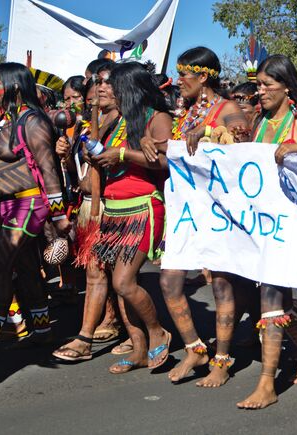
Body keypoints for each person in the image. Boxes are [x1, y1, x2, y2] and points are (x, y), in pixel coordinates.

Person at [156, 46, 249, 386]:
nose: (178, 81)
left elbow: (243, 141)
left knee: (222, 285)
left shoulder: (228, 108)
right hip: (187, 211)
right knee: (169, 280)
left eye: (184, 75)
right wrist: (156, 148)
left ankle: (222, 360)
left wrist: (209, 133)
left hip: (220, 211)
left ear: (204, 76)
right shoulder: (187, 113)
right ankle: (195, 348)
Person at [237, 54, 297, 409]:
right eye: (258, 85)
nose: (260, 92)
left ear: (287, 86)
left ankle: (267, 384)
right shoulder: (258, 121)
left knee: (277, 297)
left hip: (294, 224)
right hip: (264, 223)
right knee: (278, 297)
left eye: (266, 85)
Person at [0, 62, 72, 358]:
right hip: (7, 206)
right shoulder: (5, 120)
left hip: (28, 205)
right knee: (27, 268)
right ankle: (43, 332)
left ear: (14, 87)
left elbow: (49, 171)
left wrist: (58, 218)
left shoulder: (32, 122)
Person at [88, 62, 171, 373]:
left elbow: (164, 162)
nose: (110, 93)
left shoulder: (157, 117)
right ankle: (137, 349)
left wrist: (121, 154)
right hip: (114, 209)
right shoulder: (121, 121)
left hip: (142, 207)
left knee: (124, 282)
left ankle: (156, 332)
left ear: (132, 89)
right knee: (120, 286)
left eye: (116, 88)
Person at [51, 64, 124, 361]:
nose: (98, 89)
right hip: (89, 205)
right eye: (95, 85)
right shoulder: (85, 124)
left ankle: (144, 334)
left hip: (114, 207)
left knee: (121, 279)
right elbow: (79, 172)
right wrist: (67, 158)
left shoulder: (126, 122)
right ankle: (86, 337)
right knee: (96, 273)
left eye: (105, 84)